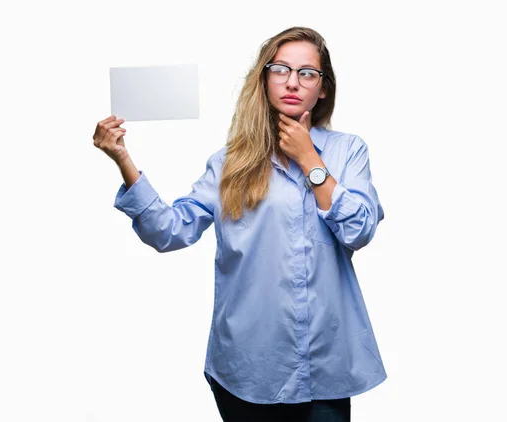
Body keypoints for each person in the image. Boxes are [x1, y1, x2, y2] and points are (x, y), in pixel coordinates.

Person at [93, 26, 387, 422]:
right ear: (264, 80)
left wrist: (310, 161)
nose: (292, 82)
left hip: (325, 365)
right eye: (280, 69)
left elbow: (360, 231)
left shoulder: (348, 151)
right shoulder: (230, 161)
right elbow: (169, 231)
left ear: (323, 89)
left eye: (307, 73)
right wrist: (123, 160)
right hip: (248, 368)